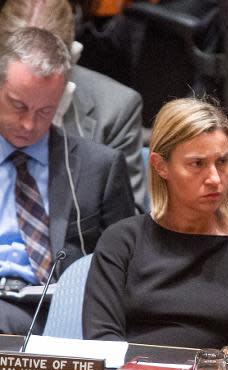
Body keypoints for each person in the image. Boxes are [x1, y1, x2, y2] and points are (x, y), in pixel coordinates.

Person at [83, 98, 228, 349]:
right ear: (161, 166)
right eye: (197, 164)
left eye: (222, 162)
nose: (214, 178)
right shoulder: (122, 242)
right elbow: (101, 341)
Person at [0, 27, 134, 334]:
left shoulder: (98, 167)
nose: (29, 124)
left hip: (61, 313)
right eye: (18, 106)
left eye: (45, 111)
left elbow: (124, 265)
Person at [0, 0, 147, 210]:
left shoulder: (116, 110)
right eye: (17, 103)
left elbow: (128, 228)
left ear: (71, 56)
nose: (28, 125)